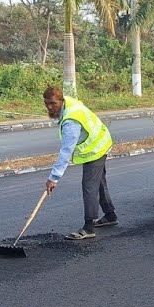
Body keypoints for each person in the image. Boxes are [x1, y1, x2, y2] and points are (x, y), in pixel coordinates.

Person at [43, 85, 115, 240]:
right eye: (47, 103)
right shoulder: (69, 102)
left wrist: (53, 178)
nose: (50, 107)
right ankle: (110, 215)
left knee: (89, 186)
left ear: (61, 100)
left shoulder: (71, 121)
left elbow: (66, 151)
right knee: (98, 182)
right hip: (101, 140)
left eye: (53, 103)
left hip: (95, 148)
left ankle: (88, 228)